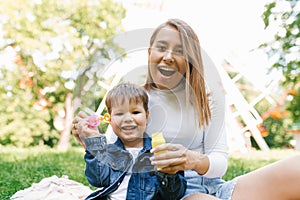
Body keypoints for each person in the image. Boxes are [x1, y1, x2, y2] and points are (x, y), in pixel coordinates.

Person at [72, 19, 300, 200]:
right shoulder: (133, 103)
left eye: (179, 50)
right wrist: (92, 143)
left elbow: (219, 163)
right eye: (162, 48)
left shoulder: (208, 100)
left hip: (215, 191)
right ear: (150, 53)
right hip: (173, 195)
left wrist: (193, 161)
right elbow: (115, 167)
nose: (169, 57)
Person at [80, 82, 187, 200]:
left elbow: (174, 195)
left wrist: (169, 173)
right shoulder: (108, 152)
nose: (128, 119)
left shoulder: (161, 151)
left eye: (135, 112)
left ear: (146, 116)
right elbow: (98, 180)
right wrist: (94, 142)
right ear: (109, 120)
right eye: (119, 113)